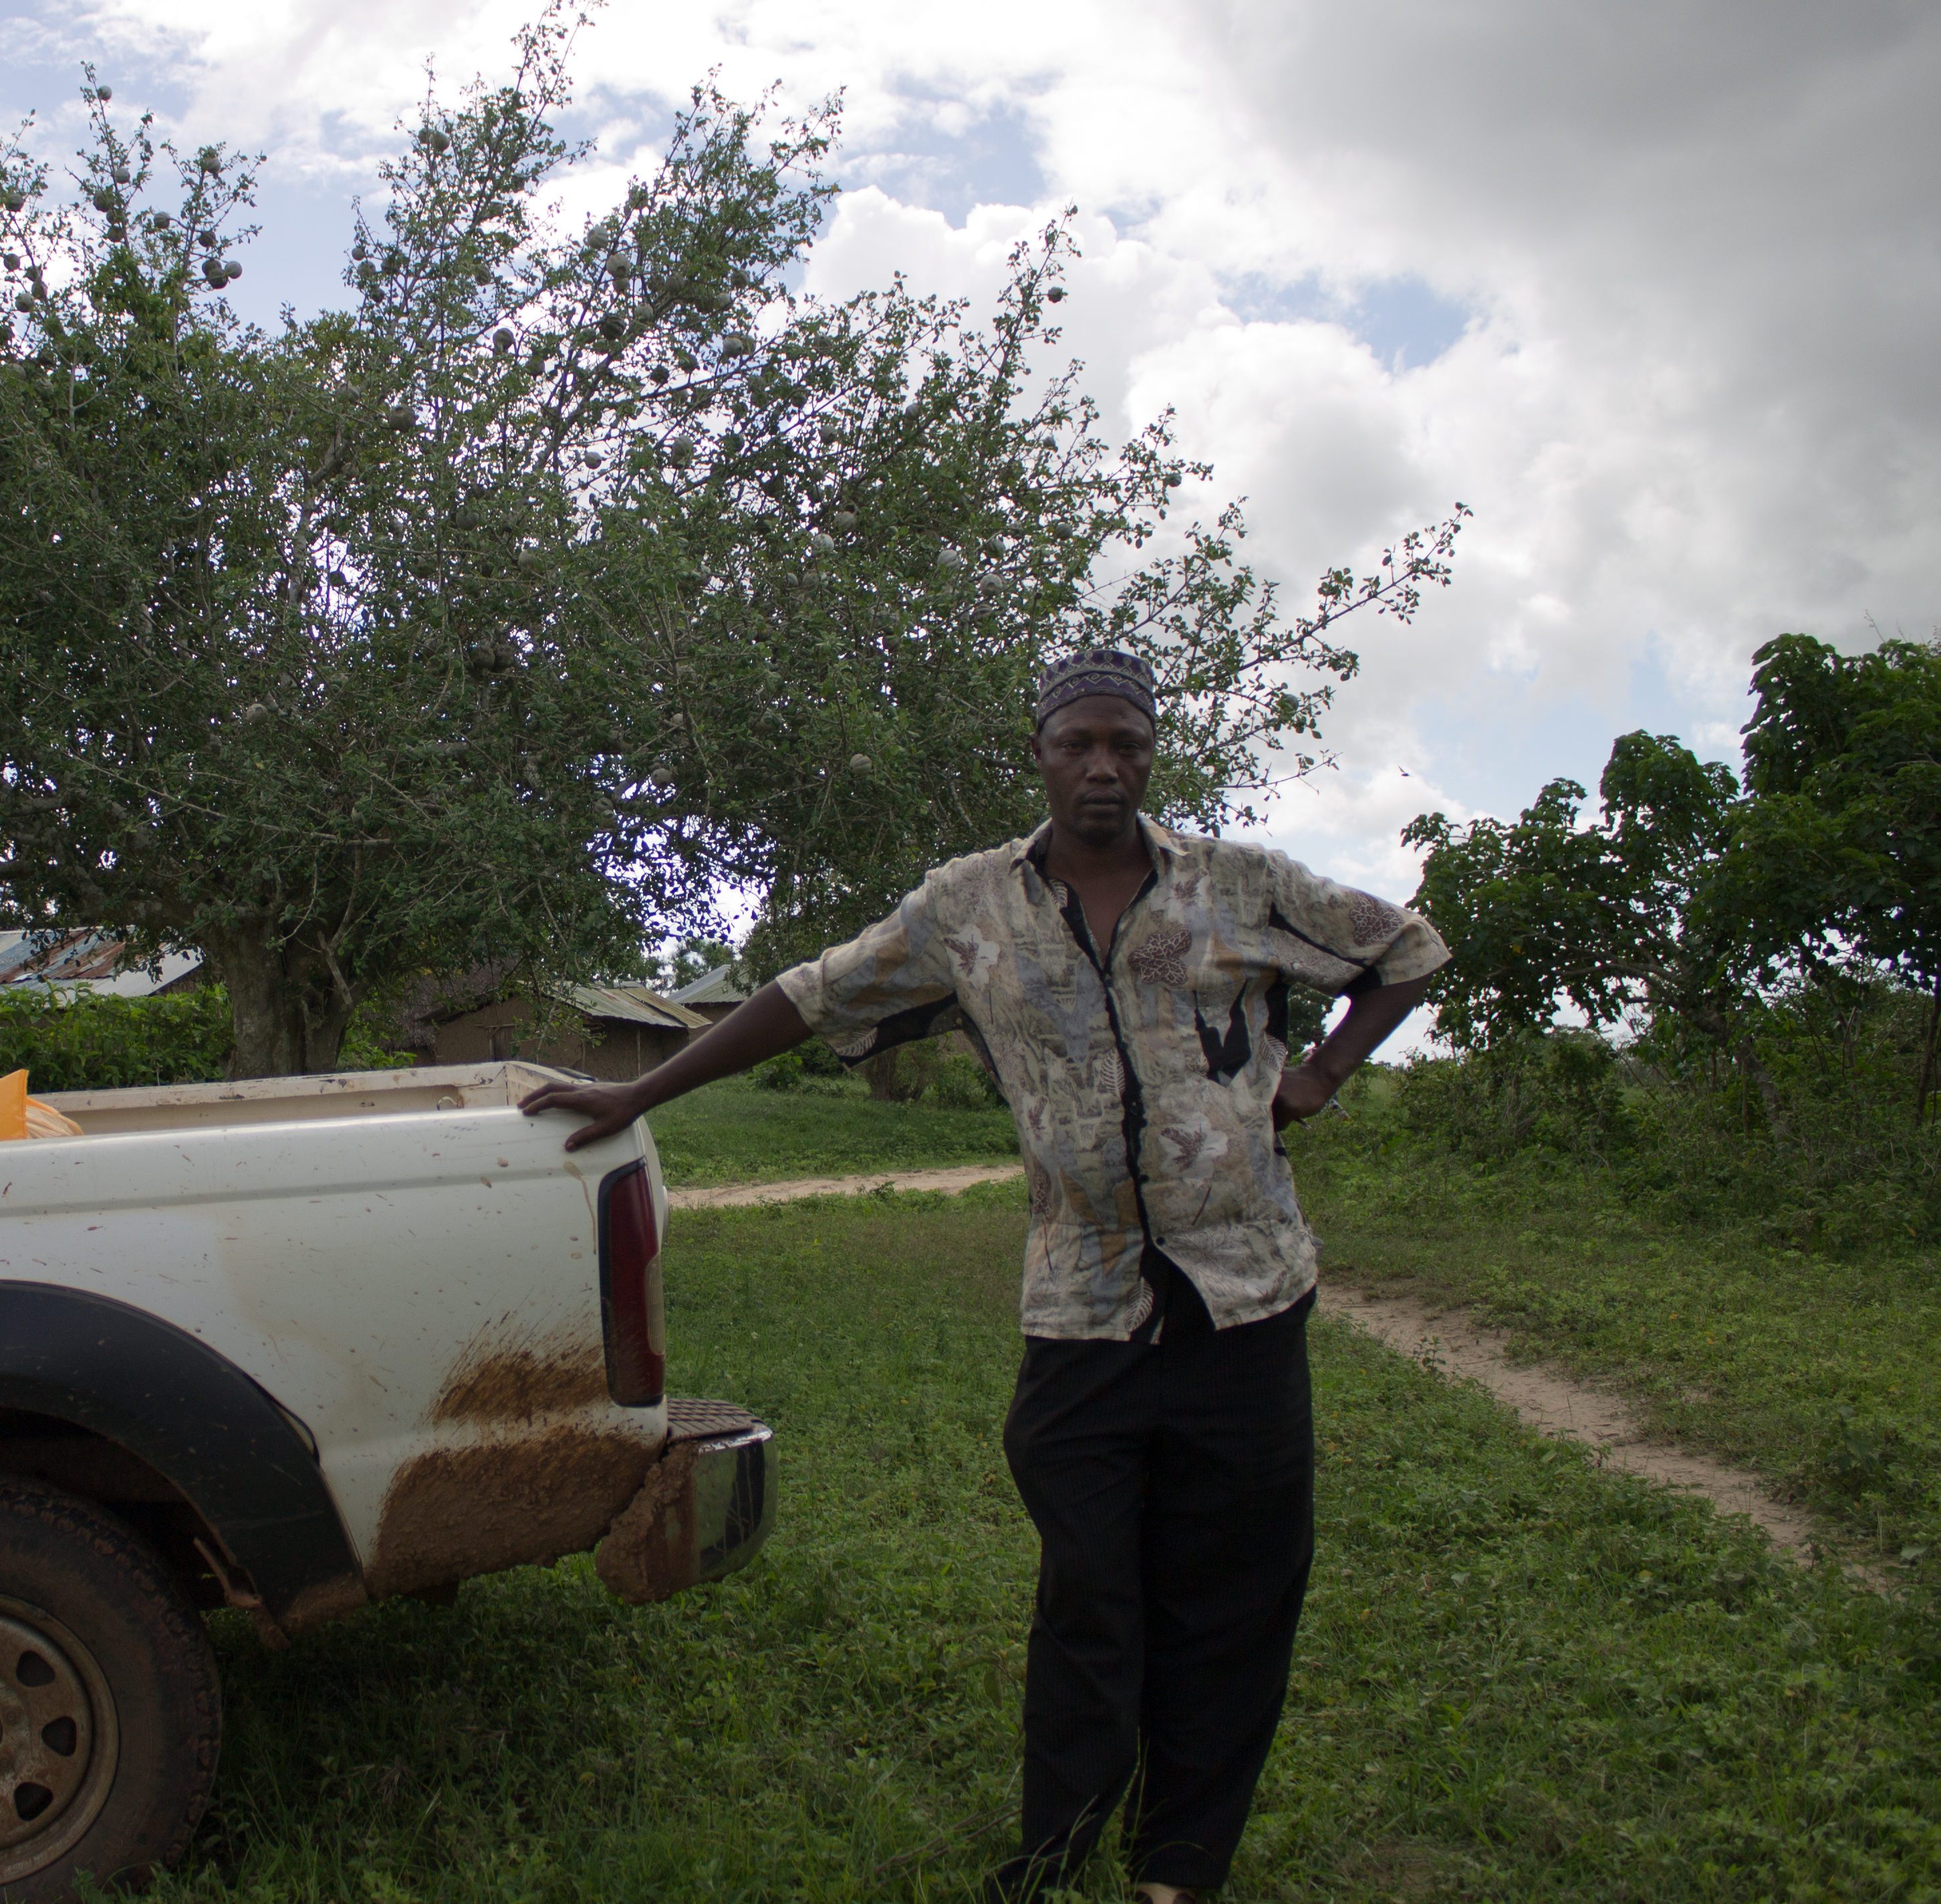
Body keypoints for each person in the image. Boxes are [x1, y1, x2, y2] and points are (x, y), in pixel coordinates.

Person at [520, 648, 1448, 1903]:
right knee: (1089, 1592)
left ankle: (1178, 1868)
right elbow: (808, 995)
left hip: (1245, 1301)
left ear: (1151, 753)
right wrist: (644, 1085)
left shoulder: (1237, 885)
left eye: (1127, 742)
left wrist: (1321, 1077)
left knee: (1232, 1598)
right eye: (1080, 744)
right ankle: (1056, 1853)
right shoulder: (969, 908)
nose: (1105, 766)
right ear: (1043, 755)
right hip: (1080, 1309)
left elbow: (1404, 947)